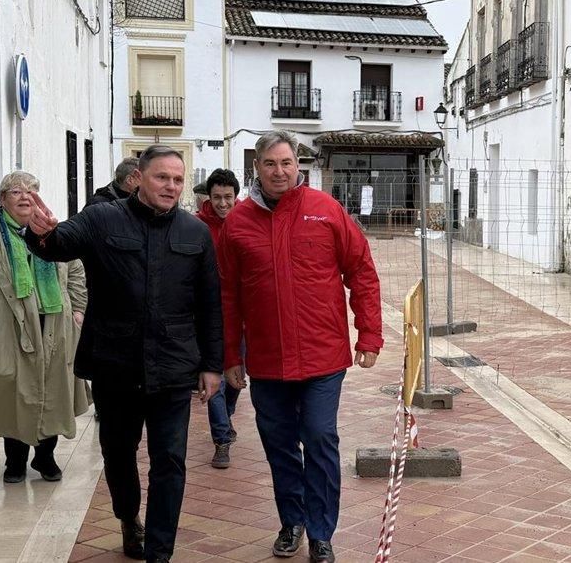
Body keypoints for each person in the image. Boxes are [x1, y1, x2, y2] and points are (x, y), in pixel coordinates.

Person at [25, 146, 222, 563]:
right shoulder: (103, 218)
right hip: (116, 366)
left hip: (173, 366)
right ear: (139, 178)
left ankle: (159, 550)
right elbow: (58, 244)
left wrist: (212, 364)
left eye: (177, 179)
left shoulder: (195, 233)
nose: (171, 186)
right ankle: (128, 518)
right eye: (161, 177)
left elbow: (209, 303)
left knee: (170, 459)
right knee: (118, 453)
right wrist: (40, 232)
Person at [218, 132, 382, 563]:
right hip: (268, 359)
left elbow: (361, 271)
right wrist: (230, 355)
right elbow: (227, 296)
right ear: (256, 167)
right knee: (279, 443)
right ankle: (292, 522)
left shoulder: (325, 211)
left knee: (320, 436)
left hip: (322, 355)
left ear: (298, 165)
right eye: (270, 164)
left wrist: (369, 333)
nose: (279, 171)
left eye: (287, 162)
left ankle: (322, 531)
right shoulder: (237, 222)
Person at [0, 171, 89, 485]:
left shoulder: (54, 232)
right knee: (15, 393)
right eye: (16, 191)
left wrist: (78, 310)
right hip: (9, 328)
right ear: (3, 199)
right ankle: (14, 461)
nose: (25, 197)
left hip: (54, 323)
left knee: (53, 391)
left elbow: (78, 269)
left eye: (32, 191)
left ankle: (45, 457)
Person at [195, 168, 243, 469]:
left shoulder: (246, 223)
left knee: (235, 380)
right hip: (207, 316)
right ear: (208, 198)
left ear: (236, 197)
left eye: (228, 197)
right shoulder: (195, 227)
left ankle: (225, 417)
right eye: (217, 198)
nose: (223, 203)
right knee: (214, 380)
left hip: (241, 318)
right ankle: (222, 439)